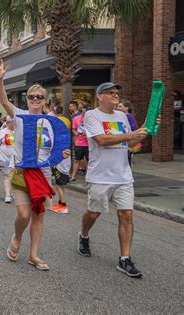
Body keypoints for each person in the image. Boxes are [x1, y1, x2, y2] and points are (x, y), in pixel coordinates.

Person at [0, 59, 69, 271]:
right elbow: (4, 100)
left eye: (39, 97)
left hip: (43, 174)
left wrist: (62, 153)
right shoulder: (19, 116)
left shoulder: (51, 122)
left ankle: (34, 254)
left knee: (38, 215)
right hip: (22, 172)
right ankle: (17, 237)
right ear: (27, 100)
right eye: (31, 97)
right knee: (24, 215)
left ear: (45, 100)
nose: (35, 99)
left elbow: (56, 147)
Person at [78, 82, 153, 278]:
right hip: (100, 176)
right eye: (110, 93)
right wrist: (131, 134)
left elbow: (131, 143)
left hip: (123, 175)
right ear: (99, 97)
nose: (115, 95)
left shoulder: (123, 117)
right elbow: (101, 140)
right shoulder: (92, 115)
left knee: (126, 214)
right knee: (93, 214)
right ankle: (84, 235)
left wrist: (146, 130)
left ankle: (124, 259)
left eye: (116, 92)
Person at [0, 116, 14, 203]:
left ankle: (11, 192)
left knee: (13, 177)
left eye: (12, 121)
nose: (10, 123)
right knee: (7, 175)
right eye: (8, 122)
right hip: (4, 157)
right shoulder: (2, 132)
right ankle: (8, 195)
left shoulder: (19, 131)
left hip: (16, 159)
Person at [70, 105, 89, 181]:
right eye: (86, 109)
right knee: (77, 160)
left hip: (88, 143)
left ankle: (88, 177)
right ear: (83, 109)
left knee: (89, 160)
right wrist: (76, 133)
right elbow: (73, 129)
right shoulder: (76, 119)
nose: (87, 111)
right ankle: (73, 176)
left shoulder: (90, 119)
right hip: (79, 143)